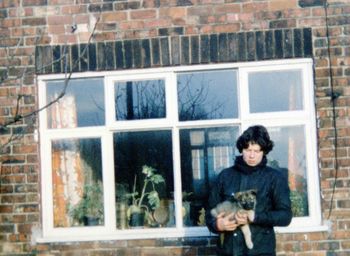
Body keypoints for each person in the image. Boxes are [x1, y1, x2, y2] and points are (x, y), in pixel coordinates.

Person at [206, 125, 292, 256]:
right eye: (248, 149)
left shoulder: (274, 178)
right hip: (229, 251)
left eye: (257, 151)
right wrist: (218, 224)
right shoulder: (225, 176)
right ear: (241, 149)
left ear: (264, 151)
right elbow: (210, 212)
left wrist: (256, 217)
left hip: (261, 251)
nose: (252, 155)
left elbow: (285, 216)